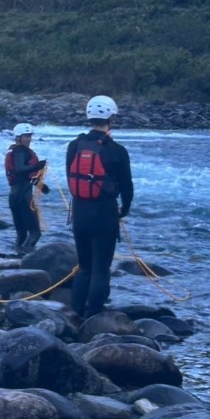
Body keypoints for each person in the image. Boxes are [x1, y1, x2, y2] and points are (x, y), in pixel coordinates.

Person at [66, 95, 134, 320]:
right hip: (104, 214)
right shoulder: (117, 150)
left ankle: (76, 311)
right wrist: (123, 210)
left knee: (84, 266)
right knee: (101, 268)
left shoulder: (74, 145)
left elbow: (71, 177)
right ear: (112, 118)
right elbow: (127, 187)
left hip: (80, 212)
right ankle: (93, 315)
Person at [5, 122, 48, 252]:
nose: (29, 139)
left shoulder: (15, 150)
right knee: (35, 233)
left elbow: (24, 177)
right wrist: (37, 166)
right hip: (23, 198)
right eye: (26, 136)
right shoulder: (20, 151)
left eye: (30, 136)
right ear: (18, 137)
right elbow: (19, 169)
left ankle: (16, 257)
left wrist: (41, 186)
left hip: (14, 197)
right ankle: (26, 258)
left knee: (22, 234)